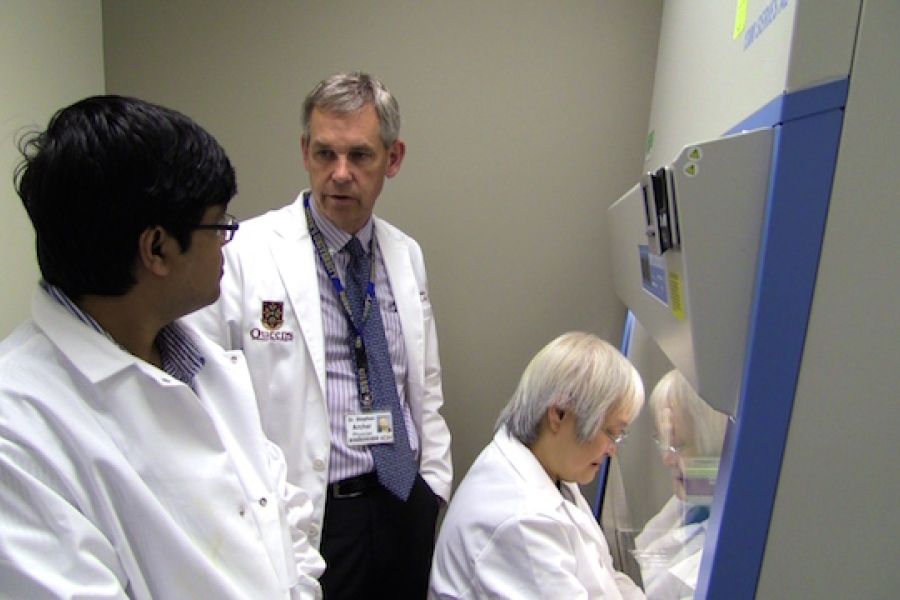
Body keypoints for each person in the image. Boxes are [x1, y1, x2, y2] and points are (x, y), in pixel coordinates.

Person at [0, 95, 325, 598]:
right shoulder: (18, 433)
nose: (228, 243)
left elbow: (284, 520)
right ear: (156, 248)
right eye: (219, 225)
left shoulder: (206, 367)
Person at [183, 72, 452, 598]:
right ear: (305, 151)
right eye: (325, 153)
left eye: (360, 155)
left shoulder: (405, 254)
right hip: (315, 516)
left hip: (403, 501)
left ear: (393, 158)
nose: (340, 173)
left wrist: (432, 488)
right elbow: (200, 397)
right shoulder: (244, 254)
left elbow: (425, 383)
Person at [429, 332, 646, 599]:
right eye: (611, 432)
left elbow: (607, 577)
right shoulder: (521, 519)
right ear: (559, 414)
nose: (613, 449)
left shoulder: (551, 470)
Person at [633, 369, 729, 600]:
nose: (667, 459)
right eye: (664, 441)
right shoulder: (692, 501)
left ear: (716, 445)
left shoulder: (727, 546)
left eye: (678, 445)